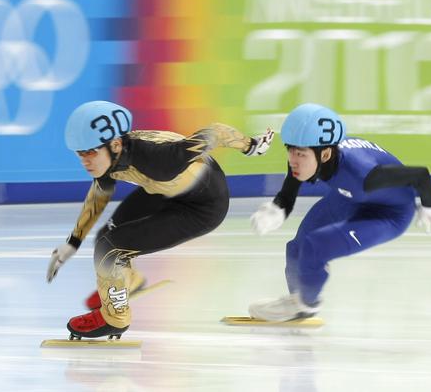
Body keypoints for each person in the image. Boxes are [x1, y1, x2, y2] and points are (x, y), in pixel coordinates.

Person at [47, 100, 274, 338]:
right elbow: (98, 197)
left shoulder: (158, 158)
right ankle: (128, 282)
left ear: (115, 145)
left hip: (202, 207)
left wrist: (251, 146)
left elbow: (215, 132)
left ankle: (114, 319)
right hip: (164, 191)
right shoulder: (110, 157)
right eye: (80, 154)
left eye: (90, 152)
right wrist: (73, 242)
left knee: (110, 248)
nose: (85, 161)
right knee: (107, 234)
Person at [248, 103, 431, 321]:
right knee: (297, 248)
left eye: (300, 154)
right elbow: (291, 186)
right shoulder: (309, 149)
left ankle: (308, 303)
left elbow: (420, 174)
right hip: (349, 197)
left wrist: (429, 205)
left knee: (316, 246)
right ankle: (298, 300)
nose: (293, 160)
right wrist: (278, 208)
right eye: (290, 150)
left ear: (324, 155)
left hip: (389, 214)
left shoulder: (364, 173)